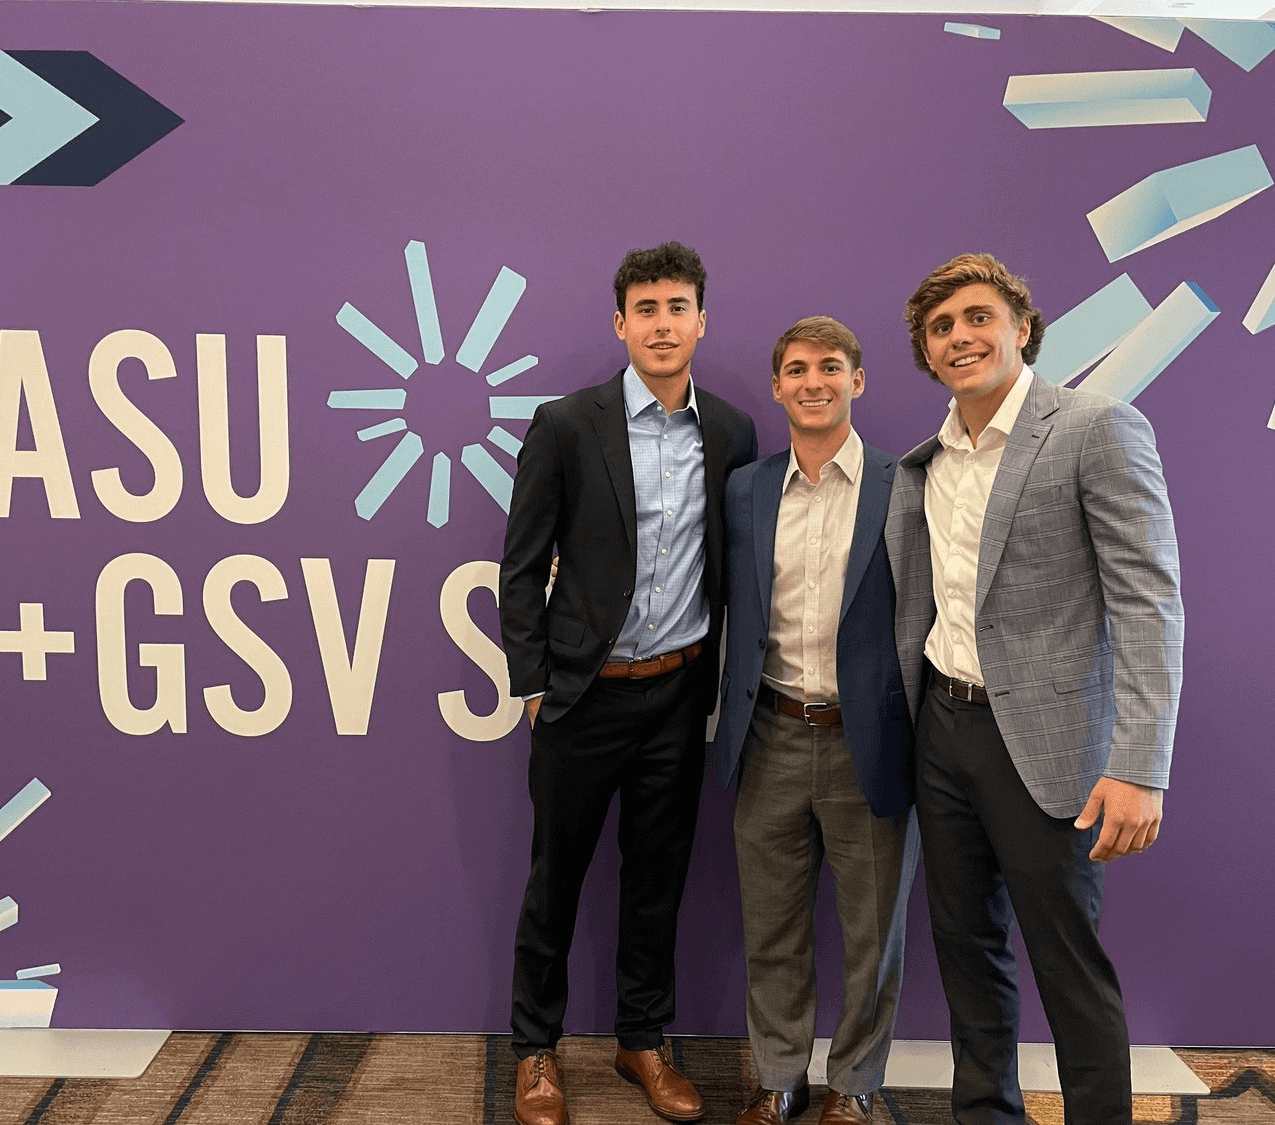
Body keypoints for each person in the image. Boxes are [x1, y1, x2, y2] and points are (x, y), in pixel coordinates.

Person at [884, 253, 1184, 1124]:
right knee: (965, 948)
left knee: (1067, 963)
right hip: (942, 733)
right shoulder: (923, 464)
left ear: (1021, 327)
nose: (959, 337)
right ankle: (985, 1111)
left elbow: (1148, 601)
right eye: (940, 327)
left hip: (1050, 749)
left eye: (977, 317)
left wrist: (1139, 764)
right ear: (927, 353)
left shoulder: (1096, 427)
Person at [499, 241, 757, 1125]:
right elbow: (520, 565)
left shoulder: (731, 433)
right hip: (582, 697)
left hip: (677, 698)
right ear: (620, 324)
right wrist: (534, 683)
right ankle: (535, 1049)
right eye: (645, 309)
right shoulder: (566, 424)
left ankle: (641, 1038)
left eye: (677, 307)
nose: (661, 323)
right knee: (555, 881)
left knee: (657, 878)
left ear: (700, 321)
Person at [712, 316, 919, 1125]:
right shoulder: (745, 488)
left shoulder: (906, 484)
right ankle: (779, 1077)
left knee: (872, 932)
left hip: (868, 742)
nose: (812, 382)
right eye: (796, 369)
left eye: (829, 367)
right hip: (767, 733)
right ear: (777, 387)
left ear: (856, 380)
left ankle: (854, 1084)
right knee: (771, 924)